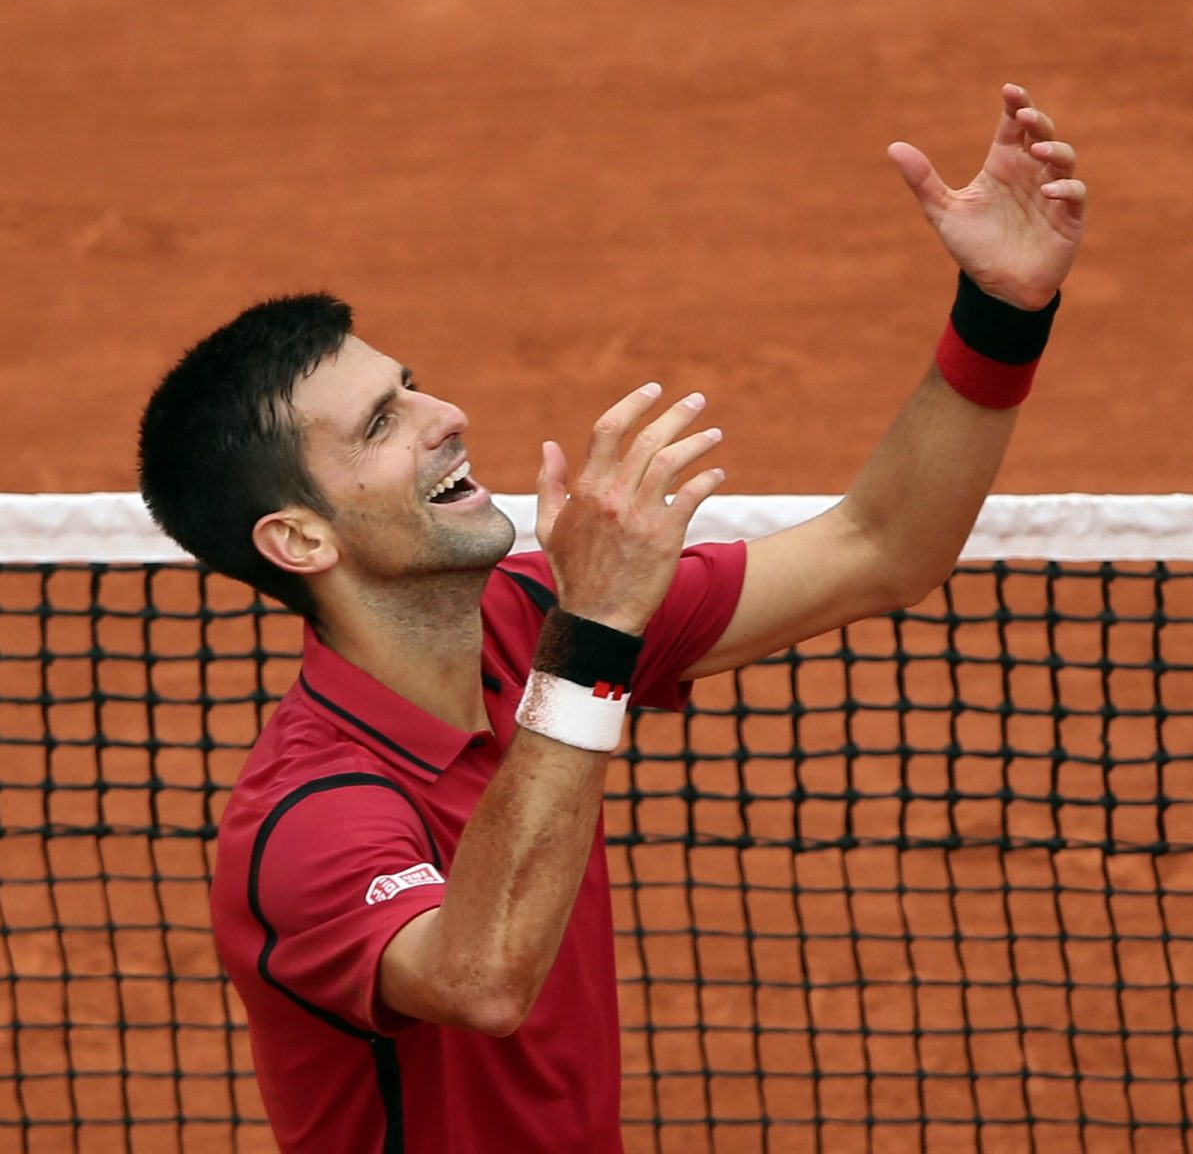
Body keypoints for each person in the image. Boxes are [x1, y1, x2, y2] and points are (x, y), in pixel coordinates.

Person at [136, 84, 1086, 1153]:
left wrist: (1001, 309)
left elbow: (881, 548)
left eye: (412, 384)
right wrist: (593, 634)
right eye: (383, 422)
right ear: (302, 539)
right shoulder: (307, 820)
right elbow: (481, 972)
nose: (447, 415)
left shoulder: (535, 612)